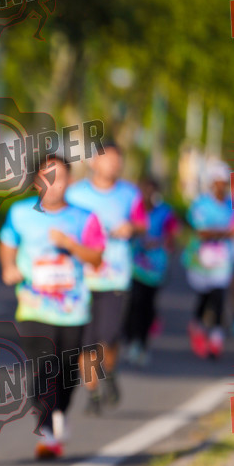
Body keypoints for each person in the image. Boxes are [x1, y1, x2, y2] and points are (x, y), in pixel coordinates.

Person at [0, 153, 105, 459]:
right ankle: (46, 428)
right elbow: (8, 242)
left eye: (60, 177)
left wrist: (70, 244)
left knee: (68, 369)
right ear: (36, 182)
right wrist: (9, 267)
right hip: (34, 306)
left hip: (73, 309)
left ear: (70, 180)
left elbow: (97, 257)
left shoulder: (85, 217)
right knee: (43, 367)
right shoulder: (20, 213)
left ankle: (60, 413)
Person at [65, 141, 146, 413]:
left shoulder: (130, 194)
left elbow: (142, 224)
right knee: (85, 341)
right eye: (107, 159)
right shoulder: (75, 193)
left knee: (109, 337)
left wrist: (131, 227)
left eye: (117, 160)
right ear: (94, 162)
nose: (113, 165)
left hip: (115, 277)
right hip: (81, 277)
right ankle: (93, 395)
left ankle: (109, 372)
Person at [121, 177, 179, 366]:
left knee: (148, 306)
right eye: (143, 191)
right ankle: (131, 339)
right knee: (133, 303)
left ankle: (142, 343)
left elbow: (173, 236)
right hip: (132, 265)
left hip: (155, 268)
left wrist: (161, 243)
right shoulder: (131, 211)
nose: (147, 195)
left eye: (151, 191)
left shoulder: (165, 213)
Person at [183, 159, 234, 359]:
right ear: (211, 183)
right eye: (217, 182)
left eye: (224, 182)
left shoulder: (232, 205)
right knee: (205, 297)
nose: (221, 186)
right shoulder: (201, 204)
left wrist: (223, 234)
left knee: (219, 296)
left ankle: (216, 336)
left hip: (223, 260)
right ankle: (196, 325)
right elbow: (202, 232)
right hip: (201, 260)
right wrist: (225, 233)